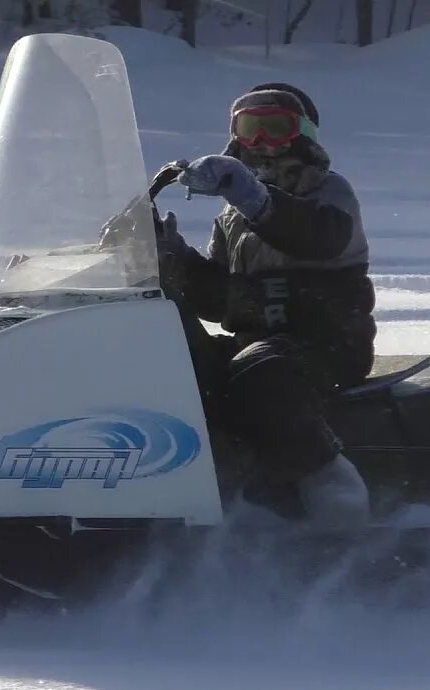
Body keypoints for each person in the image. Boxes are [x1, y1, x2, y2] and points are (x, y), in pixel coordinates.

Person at [156, 83, 376, 529]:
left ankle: (334, 494)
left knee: (264, 373)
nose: (261, 143)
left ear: (305, 135)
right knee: (176, 359)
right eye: (249, 129)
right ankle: (200, 493)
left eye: (275, 128)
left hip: (328, 347)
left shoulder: (330, 193)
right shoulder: (233, 218)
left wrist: (253, 197)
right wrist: (173, 256)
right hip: (257, 344)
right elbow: (218, 298)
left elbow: (322, 236)